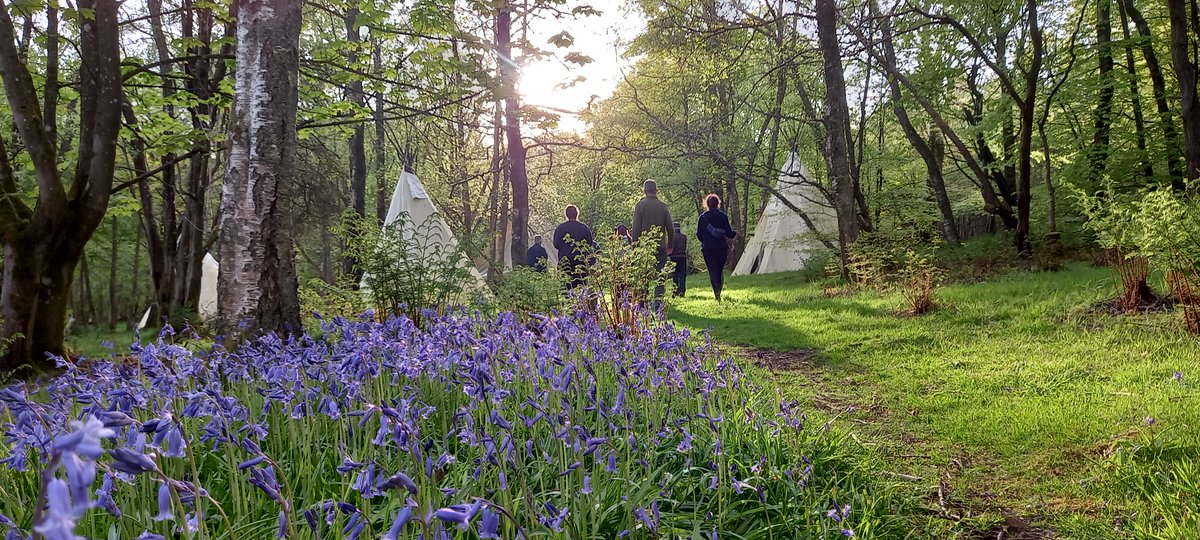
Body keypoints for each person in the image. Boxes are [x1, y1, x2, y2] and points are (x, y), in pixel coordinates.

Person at [632, 180, 674, 304]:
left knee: (643, 276)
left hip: (643, 248)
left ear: (644, 191)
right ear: (656, 190)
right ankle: (658, 303)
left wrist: (634, 247)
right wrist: (670, 245)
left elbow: (636, 229)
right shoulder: (663, 206)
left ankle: (642, 303)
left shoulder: (640, 206)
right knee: (660, 276)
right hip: (660, 247)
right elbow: (671, 229)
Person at [696, 193, 737, 301]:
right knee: (719, 271)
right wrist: (735, 233)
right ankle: (719, 291)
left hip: (708, 249)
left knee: (712, 271)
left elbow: (699, 235)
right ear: (718, 203)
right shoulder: (723, 216)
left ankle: (716, 294)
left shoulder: (703, 218)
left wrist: (706, 240)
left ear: (707, 204)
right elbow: (729, 233)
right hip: (721, 248)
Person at [553, 205, 595, 289]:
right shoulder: (584, 228)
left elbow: (556, 244)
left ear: (566, 214)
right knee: (581, 285)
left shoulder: (560, 228)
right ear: (577, 214)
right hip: (580, 261)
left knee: (566, 287)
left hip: (565, 261)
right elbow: (589, 244)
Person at [669, 221, 688, 297]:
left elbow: (669, 248)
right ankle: (682, 291)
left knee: (675, 274)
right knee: (682, 275)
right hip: (682, 256)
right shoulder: (684, 237)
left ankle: (674, 291)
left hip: (673, 257)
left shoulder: (671, 237)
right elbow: (685, 247)